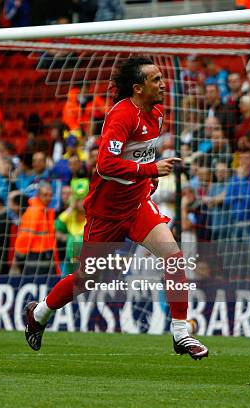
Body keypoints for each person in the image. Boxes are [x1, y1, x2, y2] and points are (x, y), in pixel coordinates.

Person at [23, 57, 209, 359]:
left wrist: (147, 183)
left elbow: (139, 156)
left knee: (174, 258)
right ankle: (39, 313)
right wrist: (149, 171)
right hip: (105, 213)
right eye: (156, 80)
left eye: (162, 78)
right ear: (138, 88)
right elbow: (106, 165)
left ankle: (181, 334)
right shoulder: (122, 116)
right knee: (88, 279)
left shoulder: (157, 114)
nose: (162, 84)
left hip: (136, 205)